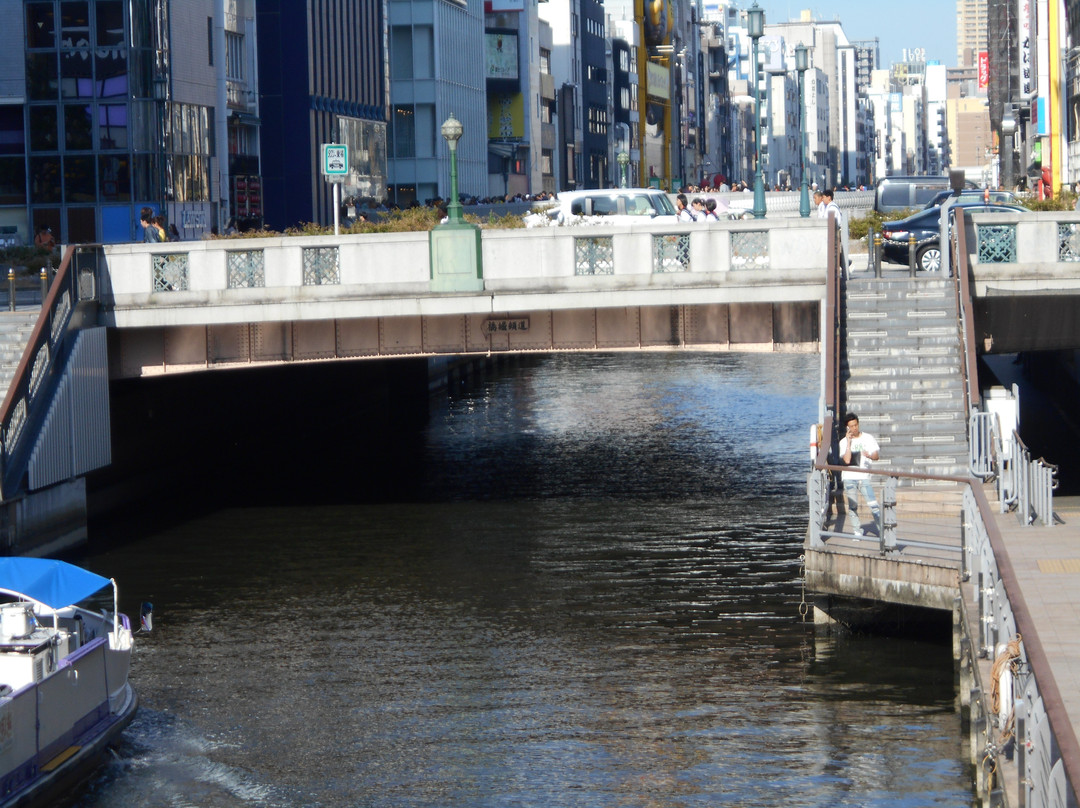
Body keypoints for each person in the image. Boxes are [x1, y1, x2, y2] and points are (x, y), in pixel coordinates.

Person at [838, 412, 881, 537]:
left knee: (874, 505)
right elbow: (846, 460)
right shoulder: (843, 442)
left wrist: (869, 455)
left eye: (856, 425)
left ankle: (882, 531)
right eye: (851, 426)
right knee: (853, 506)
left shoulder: (868, 438)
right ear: (847, 427)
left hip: (864, 477)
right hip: (849, 478)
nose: (854, 428)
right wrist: (848, 442)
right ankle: (857, 531)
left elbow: (876, 456)